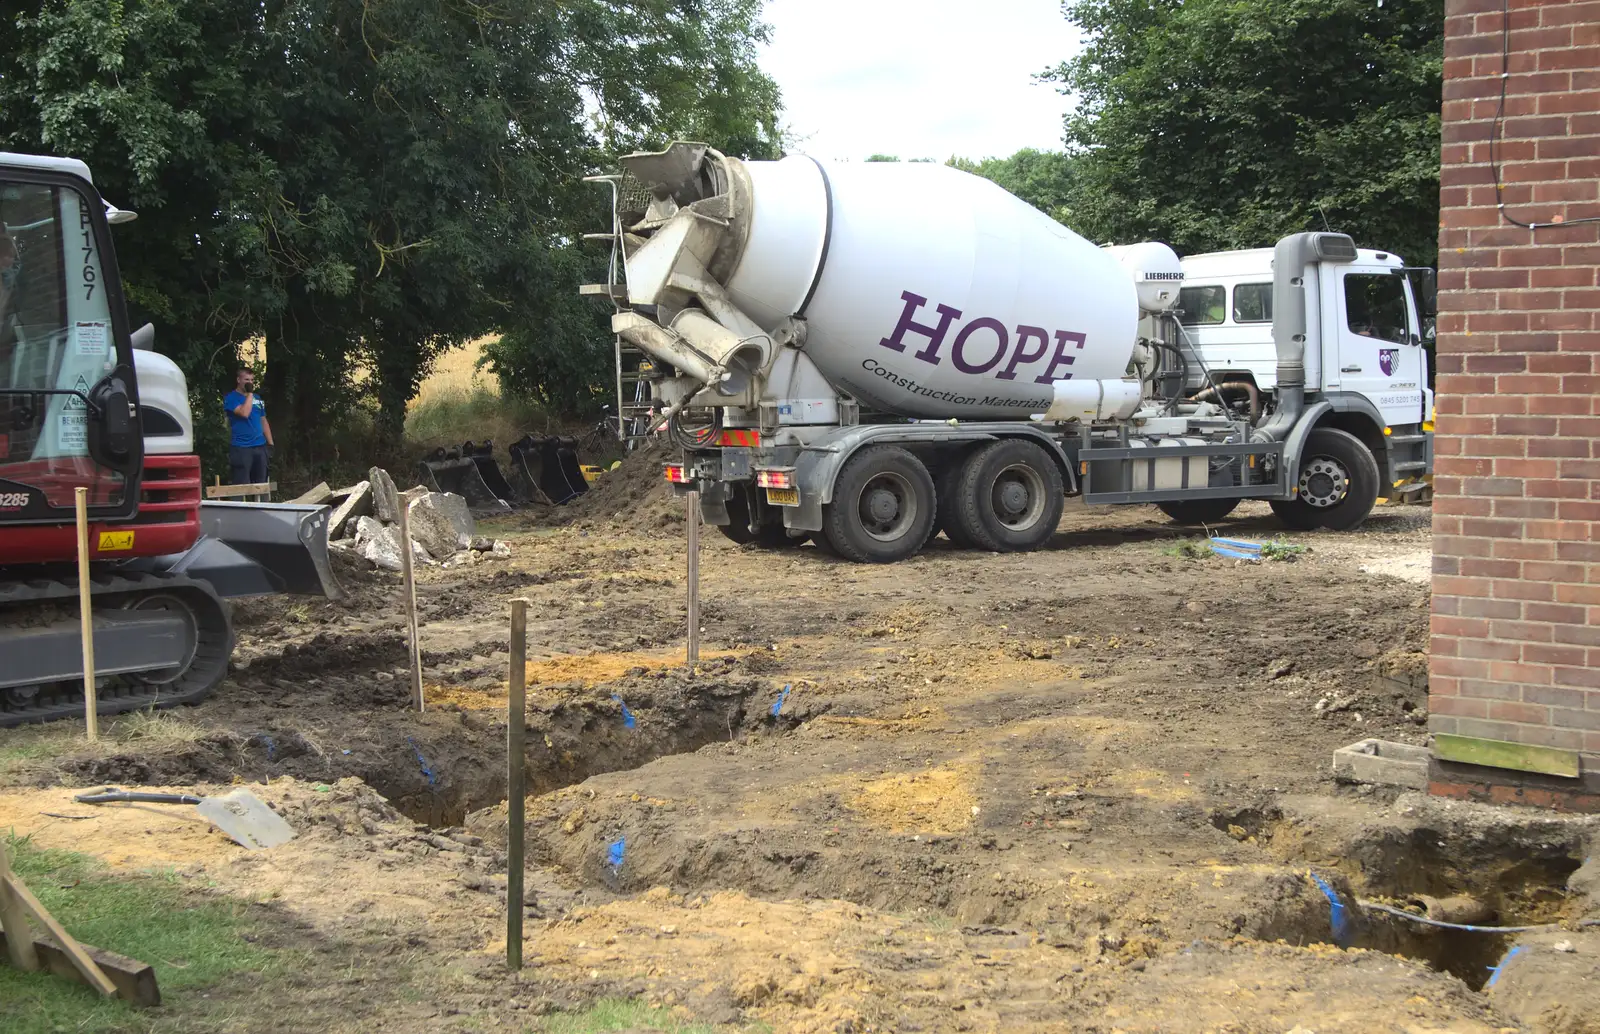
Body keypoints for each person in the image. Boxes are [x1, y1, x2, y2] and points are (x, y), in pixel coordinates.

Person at [223, 367, 273, 485]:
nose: (249, 382)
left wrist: (270, 443)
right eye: (246, 379)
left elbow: (263, 420)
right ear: (238, 380)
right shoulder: (231, 398)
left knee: (261, 484)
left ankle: (261, 504)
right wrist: (250, 393)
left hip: (260, 447)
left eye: (251, 380)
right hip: (242, 448)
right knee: (241, 484)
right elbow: (244, 413)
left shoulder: (258, 399)